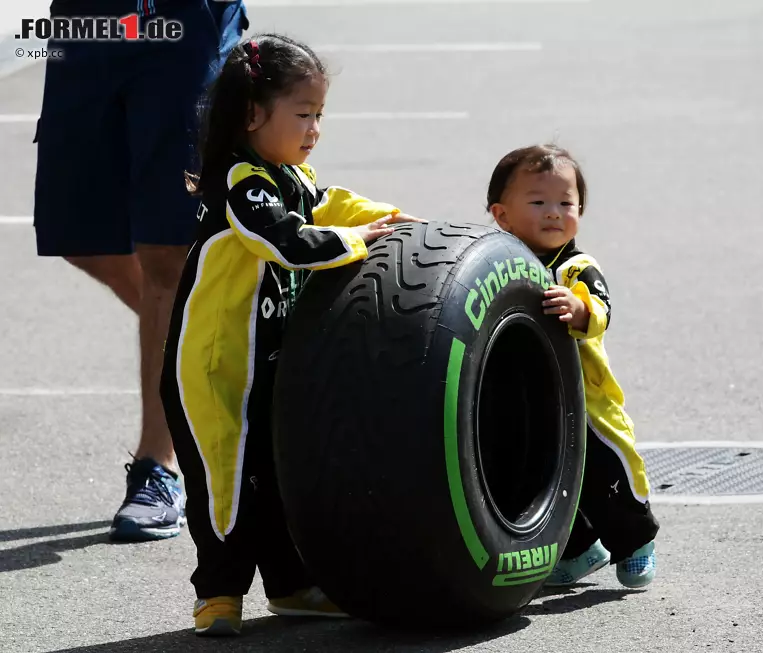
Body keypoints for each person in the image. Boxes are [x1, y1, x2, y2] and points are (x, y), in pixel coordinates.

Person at [159, 33, 423, 636]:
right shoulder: (241, 181)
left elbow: (328, 201)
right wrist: (361, 242)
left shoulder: (290, 174)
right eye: (303, 115)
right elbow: (287, 239)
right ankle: (219, 594)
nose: (314, 130)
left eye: (319, 116)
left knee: (282, 471)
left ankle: (291, 584)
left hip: (268, 363)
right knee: (224, 484)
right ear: (253, 114)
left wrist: (382, 217)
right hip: (212, 370)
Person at [32, 0, 249, 542]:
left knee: (166, 254)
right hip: (86, 23)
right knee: (80, 238)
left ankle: (159, 466)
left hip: (181, 25)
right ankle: (213, 342)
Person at [486, 144, 660, 589]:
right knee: (537, 477)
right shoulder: (491, 262)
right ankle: (579, 550)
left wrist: (580, 310)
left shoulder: (575, 267)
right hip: (528, 400)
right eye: (538, 202)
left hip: (583, 400)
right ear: (502, 215)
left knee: (605, 474)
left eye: (566, 203)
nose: (554, 213)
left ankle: (636, 542)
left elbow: (601, 308)